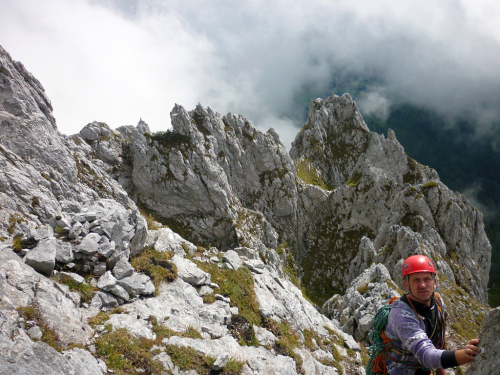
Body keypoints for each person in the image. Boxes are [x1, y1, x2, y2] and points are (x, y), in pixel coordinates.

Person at [384, 254, 480, 374]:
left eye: (427, 279)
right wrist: (465, 355)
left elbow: (439, 337)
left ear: (434, 282)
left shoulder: (437, 302)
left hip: (423, 369)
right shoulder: (401, 315)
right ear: (406, 284)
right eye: (416, 280)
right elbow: (426, 355)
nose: (423, 285)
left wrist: (441, 369)